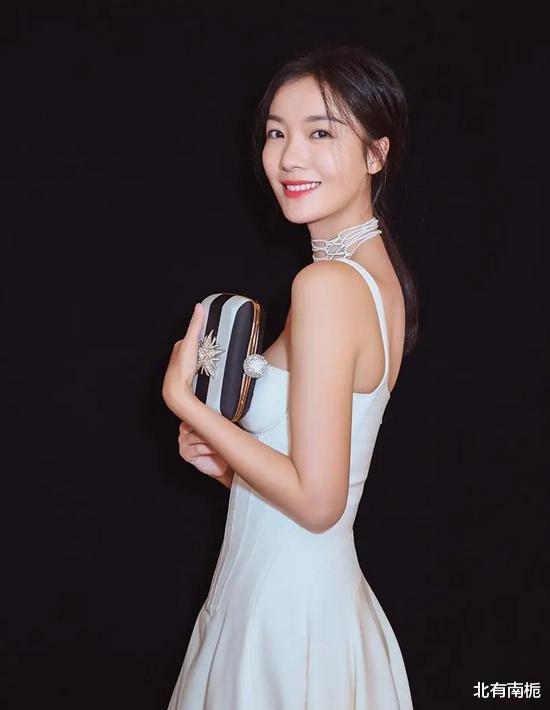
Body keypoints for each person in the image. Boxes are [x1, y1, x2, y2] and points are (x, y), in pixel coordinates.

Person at [163, 43, 419, 710]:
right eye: (276, 133)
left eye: (321, 133)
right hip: (296, 594)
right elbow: (321, 484)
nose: (289, 157)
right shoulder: (376, 280)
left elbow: (318, 502)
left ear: (376, 153)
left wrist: (187, 403)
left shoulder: (329, 285)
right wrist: (230, 467)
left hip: (285, 615)